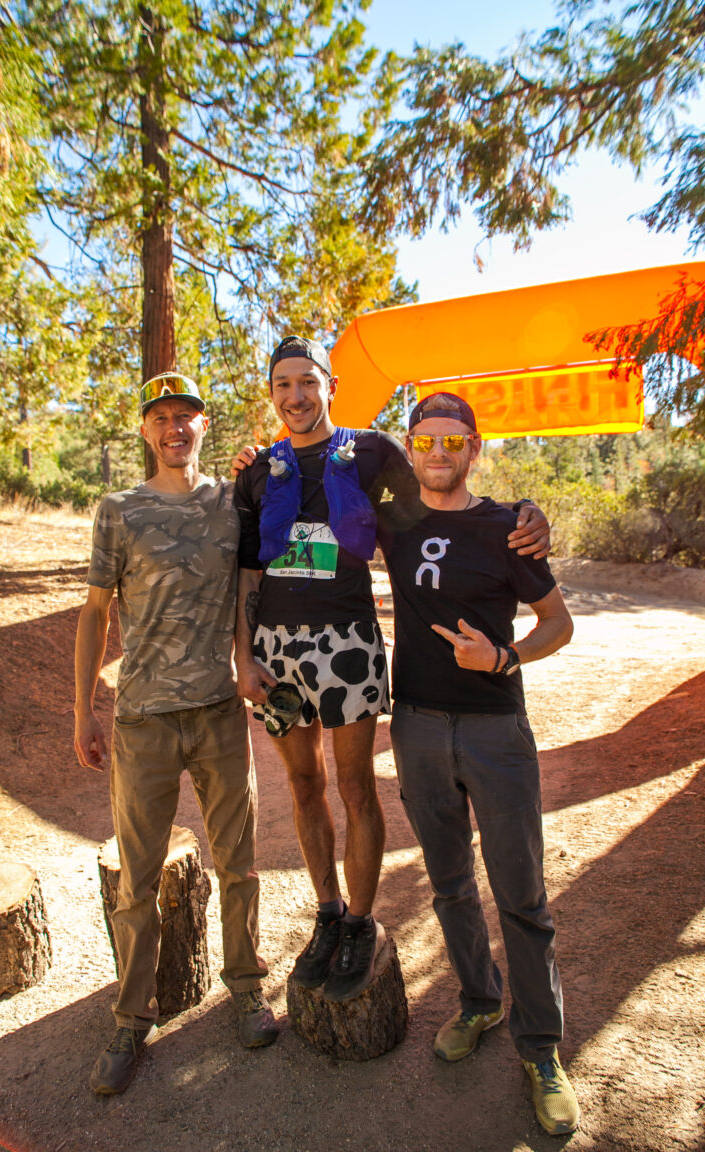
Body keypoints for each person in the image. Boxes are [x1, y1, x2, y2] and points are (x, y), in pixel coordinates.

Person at [233, 336, 550, 1004]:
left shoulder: (373, 451)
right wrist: (243, 654)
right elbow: (245, 571)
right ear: (272, 392)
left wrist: (525, 515)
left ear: (331, 385)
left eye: (308, 382)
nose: (296, 395)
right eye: (283, 384)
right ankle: (326, 911)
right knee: (301, 783)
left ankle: (358, 919)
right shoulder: (259, 471)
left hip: (347, 643)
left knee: (353, 783)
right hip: (277, 649)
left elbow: (439, 500)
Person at [378, 391, 580, 1136]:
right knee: (451, 885)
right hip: (417, 727)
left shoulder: (507, 528)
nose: (437, 454)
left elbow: (558, 622)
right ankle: (480, 1002)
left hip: (496, 730)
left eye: (451, 441)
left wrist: (504, 657)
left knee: (521, 894)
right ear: (410, 448)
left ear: (474, 445)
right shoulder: (394, 520)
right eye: (424, 442)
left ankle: (542, 1049)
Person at [74, 372, 277, 1098]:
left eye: (185, 415)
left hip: (219, 713)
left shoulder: (230, 504)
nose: (174, 427)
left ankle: (248, 990)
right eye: (160, 417)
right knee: (137, 882)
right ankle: (131, 1018)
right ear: (145, 431)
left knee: (240, 864)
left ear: (202, 423)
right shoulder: (119, 511)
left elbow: (257, 580)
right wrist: (82, 711)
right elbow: (95, 614)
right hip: (143, 721)